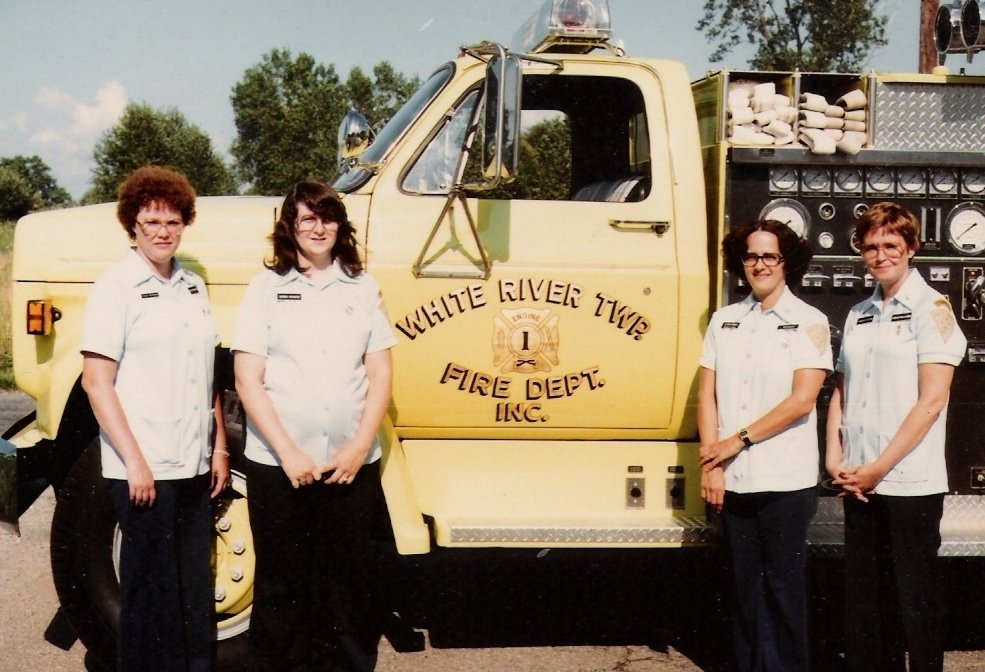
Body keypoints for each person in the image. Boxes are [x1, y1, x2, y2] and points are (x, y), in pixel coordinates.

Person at [233, 180, 397, 672]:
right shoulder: (265, 289)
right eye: (307, 218)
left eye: (327, 217)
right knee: (281, 585)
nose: (318, 227)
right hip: (280, 466)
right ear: (290, 227)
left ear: (339, 226)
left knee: (347, 586)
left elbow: (381, 372)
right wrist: (288, 453)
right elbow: (247, 376)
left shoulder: (363, 288)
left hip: (350, 466)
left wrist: (358, 448)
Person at [80, 165, 230, 672]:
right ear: (133, 224)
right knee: (149, 599)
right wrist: (135, 463)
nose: (162, 232)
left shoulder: (192, 285)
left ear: (184, 223)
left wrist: (220, 448)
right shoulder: (116, 287)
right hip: (144, 472)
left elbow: (207, 372)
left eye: (171, 222)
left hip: (192, 467)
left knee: (192, 592)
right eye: (150, 222)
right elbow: (96, 382)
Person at [826, 202, 966, 672]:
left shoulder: (934, 309)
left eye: (890, 245)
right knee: (865, 606)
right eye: (871, 246)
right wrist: (834, 457)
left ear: (911, 248)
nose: (880, 254)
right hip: (858, 478)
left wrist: (879, 468)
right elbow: (842, 391)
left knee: (916, 602)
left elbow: (931, 401)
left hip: (907, 481)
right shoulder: (860, 313)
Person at [698, 219, 832, 672]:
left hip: (785, 482)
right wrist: (712, 465)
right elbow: (707, 397)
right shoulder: (724, 320)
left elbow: (801, 400)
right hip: (734, 480)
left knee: (782, 591)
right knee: (742, 591)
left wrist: (735, 442)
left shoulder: (809, 322)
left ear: (786, 262)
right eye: (751, 256)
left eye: (769, 256)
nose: (759, 264)